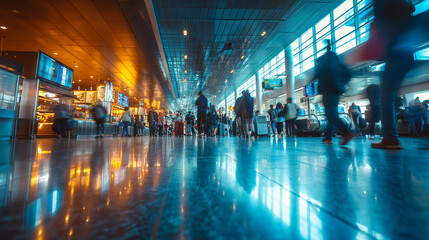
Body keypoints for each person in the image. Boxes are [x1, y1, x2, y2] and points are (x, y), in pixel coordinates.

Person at [371, 0, 415, 149]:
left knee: (386, 97)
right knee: (389, 94)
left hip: (396, 52)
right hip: (406, 50)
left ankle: (390, 138)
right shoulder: (402, 5)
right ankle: (390, 137)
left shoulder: (383, 3)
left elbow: (381, 26)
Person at [315, 40, 354, 145]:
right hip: (337, 91)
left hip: (328, 90)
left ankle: (348, 132)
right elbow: (348, 75)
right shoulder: (339, 64)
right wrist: (342, 84)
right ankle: (328, 136)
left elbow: (317, 73)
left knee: (330, 114)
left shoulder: (324, 63)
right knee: (332, 114)